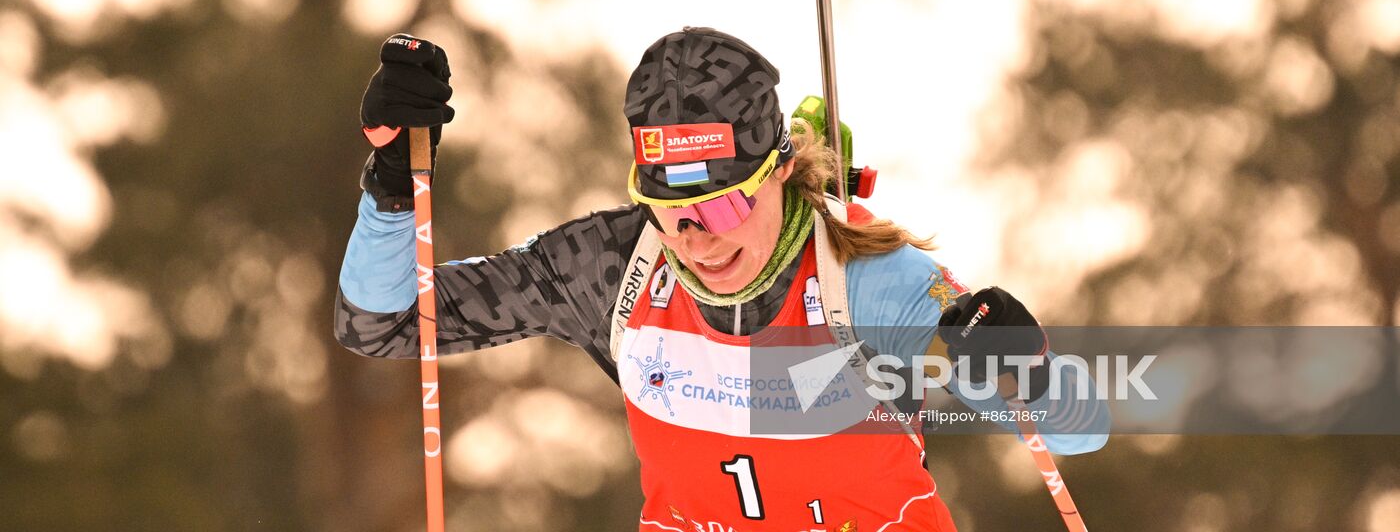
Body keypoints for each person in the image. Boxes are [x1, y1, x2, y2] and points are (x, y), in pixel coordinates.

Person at [336, 27, 1108, 531]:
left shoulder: (868, 283)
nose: (697, 238)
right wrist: (394, 187)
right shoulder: (611, 267)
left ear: (781, 172)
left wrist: (1026, 368)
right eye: (670, 209)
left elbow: (1081, 430)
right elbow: (382, 324)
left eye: (725, 201)